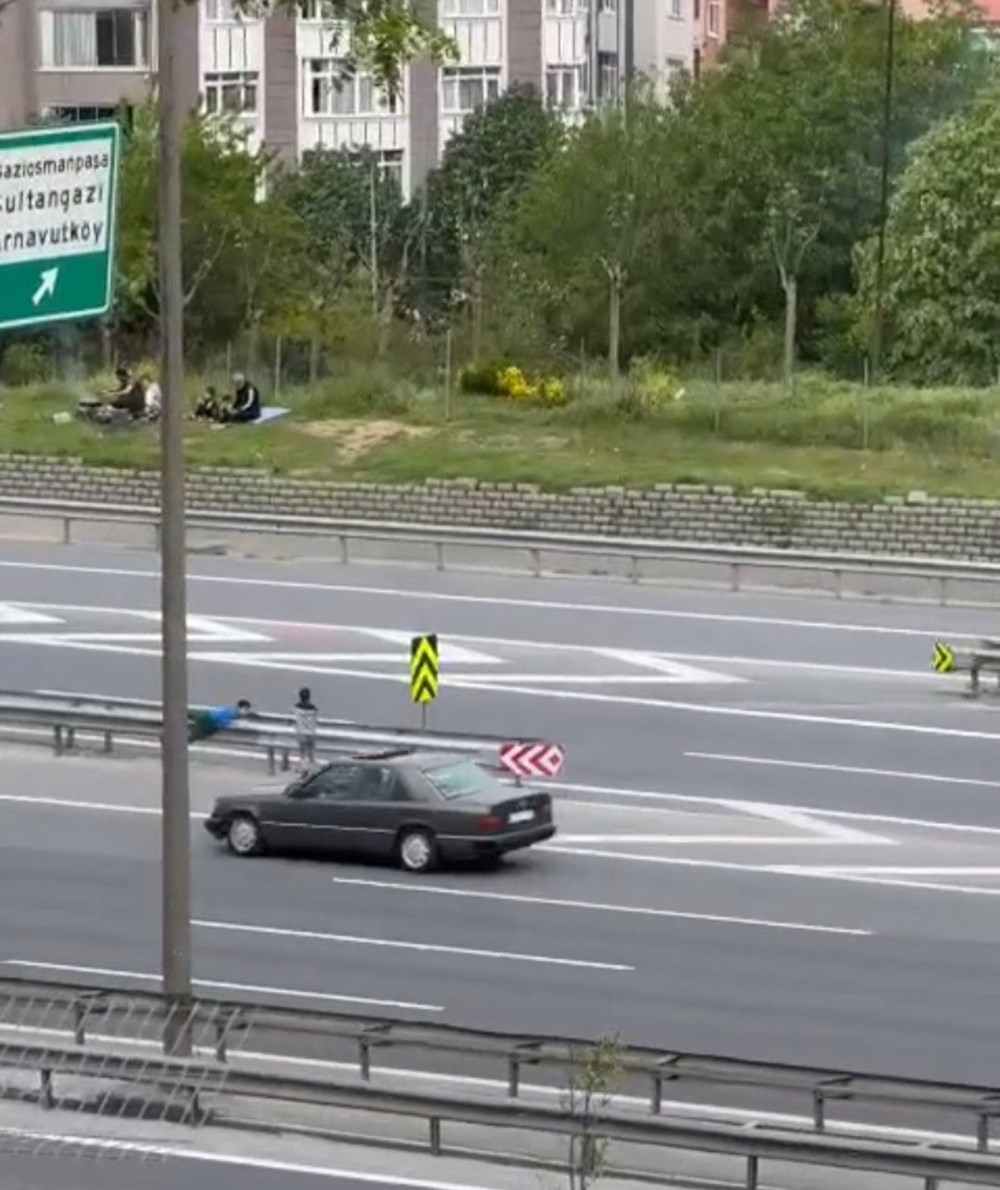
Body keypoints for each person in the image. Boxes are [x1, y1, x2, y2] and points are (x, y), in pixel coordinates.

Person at [187, 698, 252, 743]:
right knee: (195, 736)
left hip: (210, 721)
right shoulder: (233, 713)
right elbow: (221, 721)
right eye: (245, 709)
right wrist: (234, 723)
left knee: (195, 734)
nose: (246, 712)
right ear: (239, 708)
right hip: (209, 722)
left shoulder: (233, 712)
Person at [293, 686, 319, 772]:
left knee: (302, 752)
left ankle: (303, 768)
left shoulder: (296, 707)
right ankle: (312, 768)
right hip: (311, 732)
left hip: (301, 732)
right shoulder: (313, 708)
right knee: (311, 753)